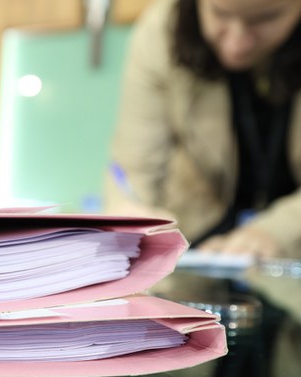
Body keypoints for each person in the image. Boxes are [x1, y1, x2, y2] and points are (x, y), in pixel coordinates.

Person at [104, 0, 301, 258]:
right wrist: (128, 213)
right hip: (201, 242)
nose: (236, 44)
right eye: (219, 13)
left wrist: (275, 232)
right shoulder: (162, 32)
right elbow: (135, 169)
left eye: (266, 19)